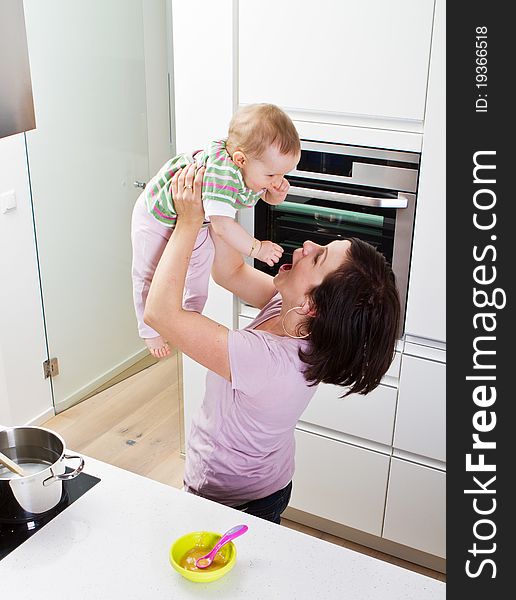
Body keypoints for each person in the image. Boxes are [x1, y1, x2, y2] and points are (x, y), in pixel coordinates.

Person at [144, 164, 400, 524]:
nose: (308, 244)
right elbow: (229, 271)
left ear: (312, 305)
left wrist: (187, 223)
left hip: (229, 498)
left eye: (318, 257)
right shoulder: (299, 315)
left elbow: (160, 313)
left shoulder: (268, 361)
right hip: (271, 481)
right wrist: (227, 198)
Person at [131, 103, 300, 358]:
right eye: (272, 175)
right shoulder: (223, 174)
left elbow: (247, 195)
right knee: (147, 272)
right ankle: (148, 330)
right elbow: (222, 226)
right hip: (156, 216)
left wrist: (271, 195)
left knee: (198, 272)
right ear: (240, 159)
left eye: (283, 175)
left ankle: (189, 316)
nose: (278, 181)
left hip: (196, 221)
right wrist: (257, 248)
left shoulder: (250, 166)